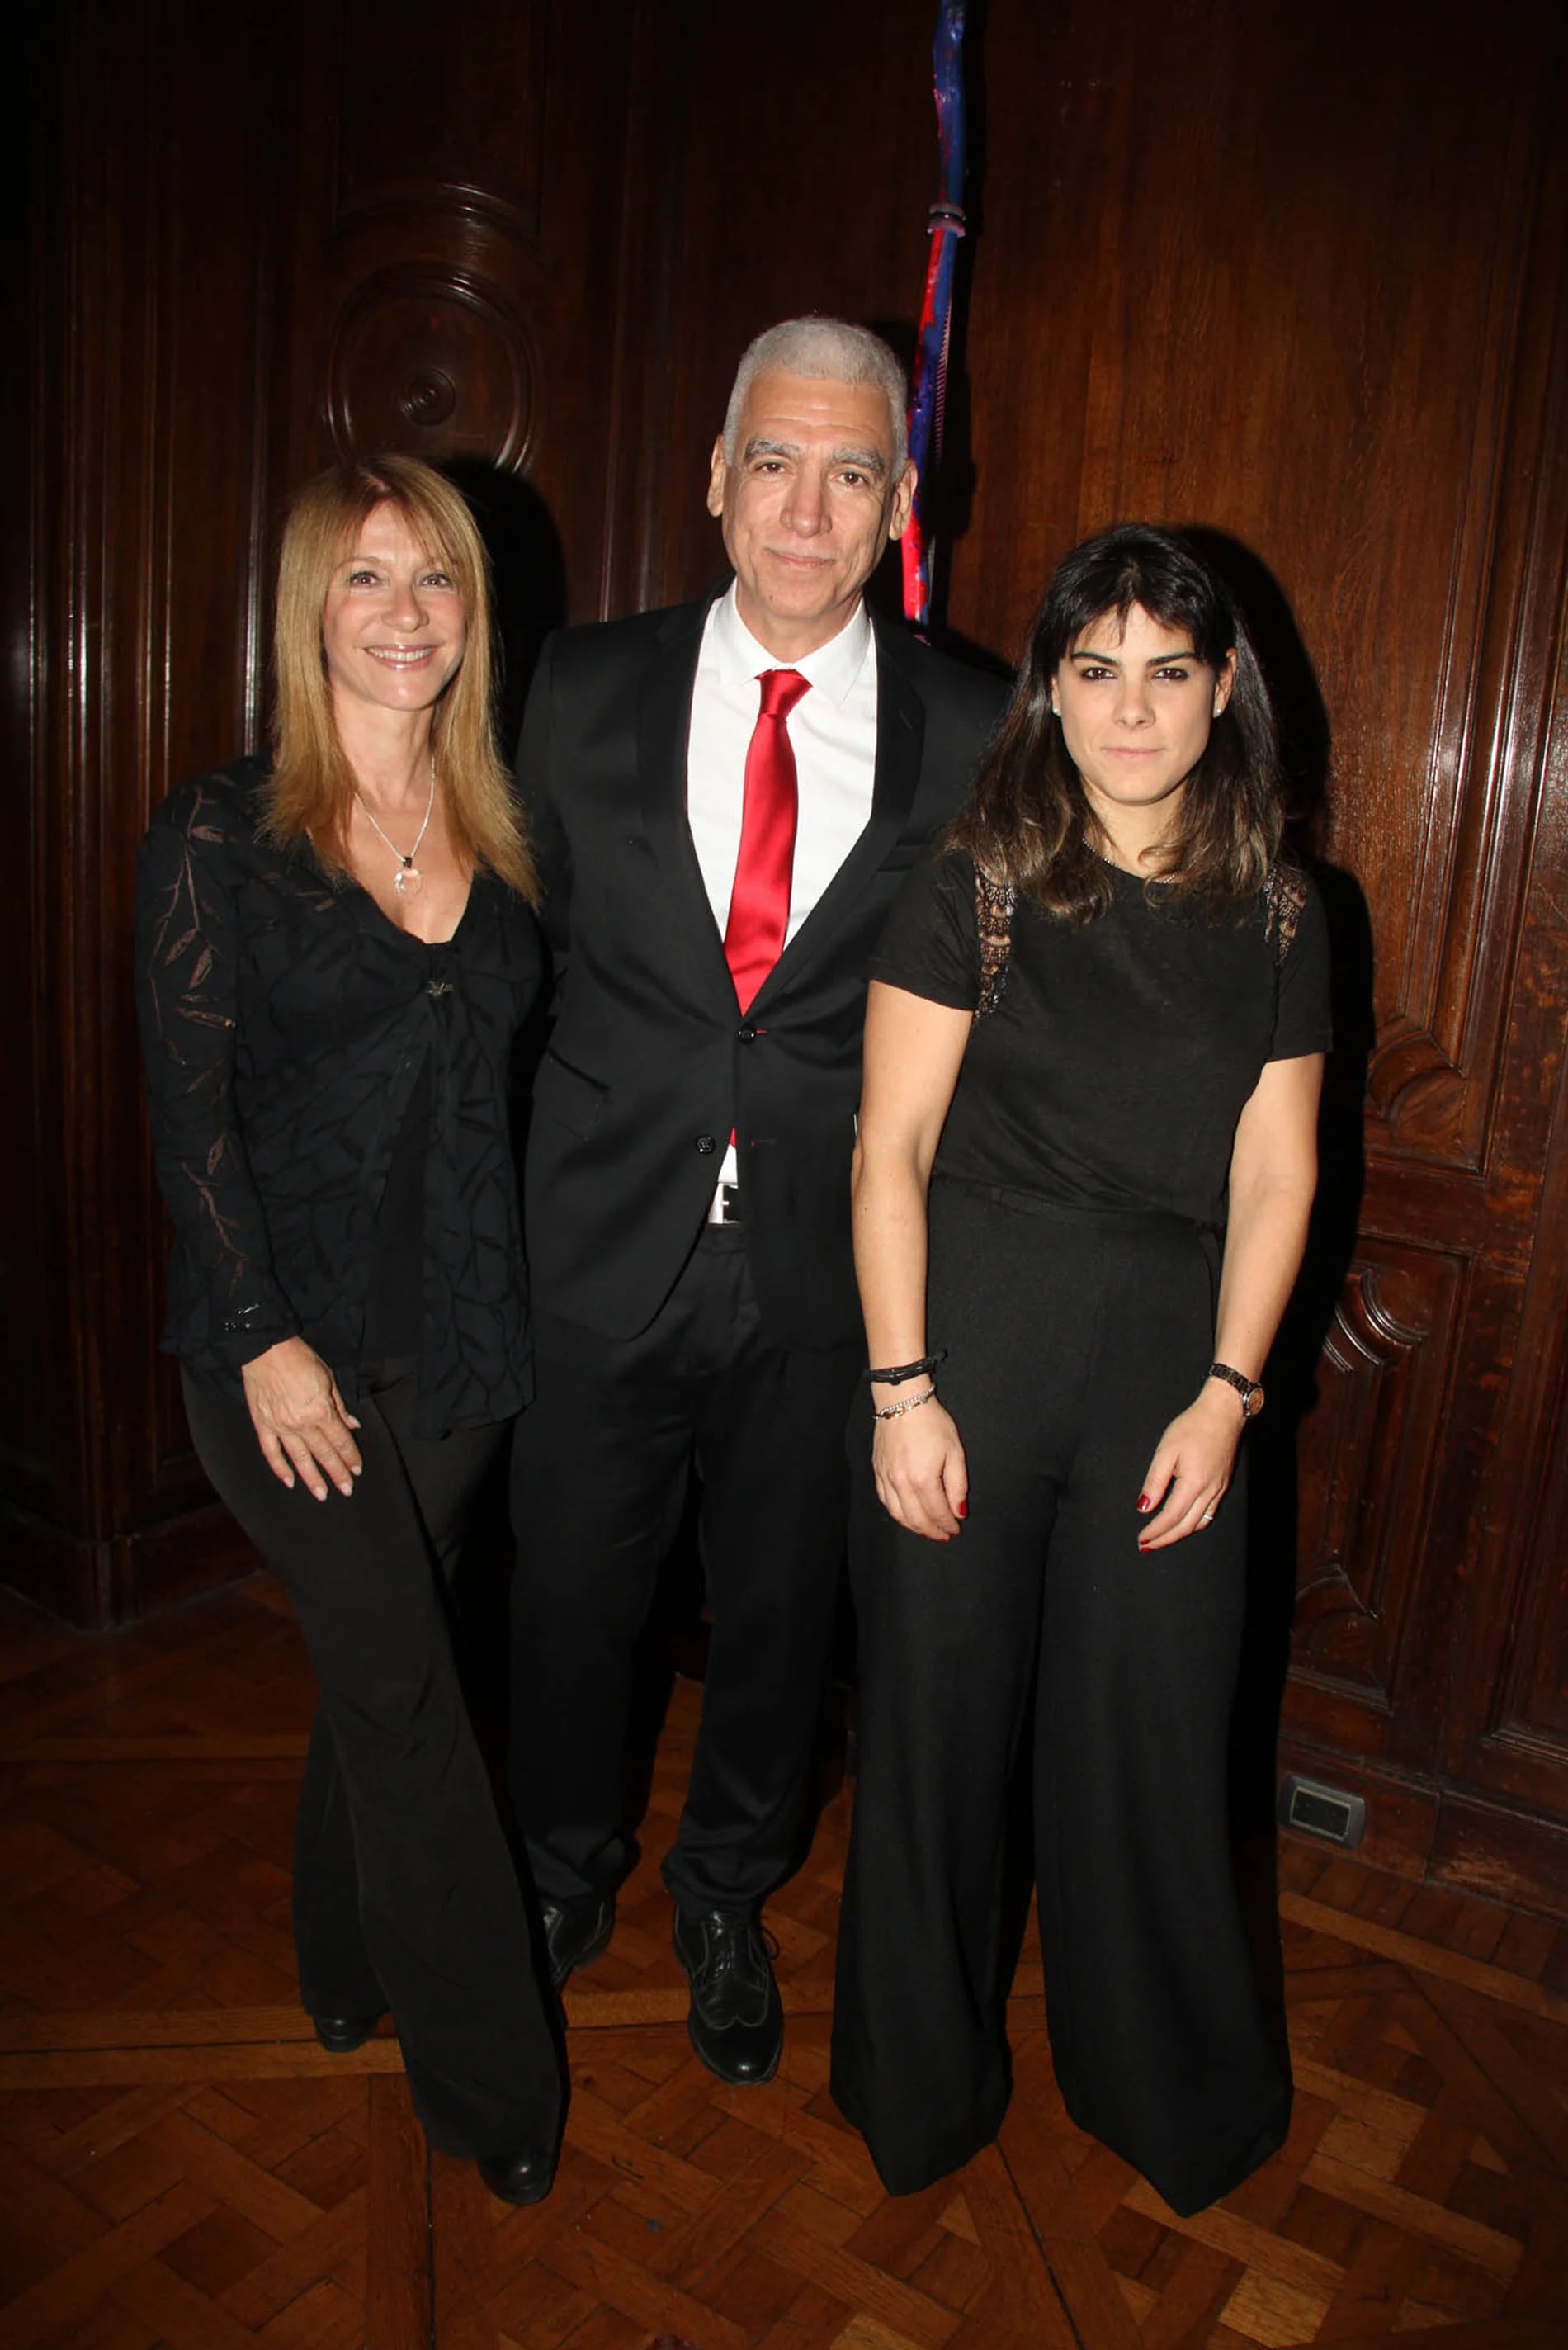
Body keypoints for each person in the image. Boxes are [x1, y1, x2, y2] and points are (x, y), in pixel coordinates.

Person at [509, 317, 1004, 2085]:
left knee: (788, 1613)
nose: (807, 507)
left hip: (832, 1262)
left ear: (896, 504)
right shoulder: (577, 683)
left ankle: (728, 1889)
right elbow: (517, 959)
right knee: (569, 1591)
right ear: (718, 481)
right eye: (775, 464)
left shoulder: (976, 724)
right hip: (597, 1240)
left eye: (851, 471)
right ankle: (559, 1872)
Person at [829, 524, 1329, 2216]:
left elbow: (1278, 1174)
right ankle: (918, 2089)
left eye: (1169, 671)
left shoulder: (1280, 910)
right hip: (969, 1338)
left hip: (1167, 1374)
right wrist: (902, 1388)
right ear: (1052, 685)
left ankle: (1165, 2094)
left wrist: (1230, 1394)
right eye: (1098, 668)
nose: (1132, 709)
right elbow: (887, 1148)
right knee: (936, 1736)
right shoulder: (974, 878)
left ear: (1221, 692)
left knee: (1153, 1743)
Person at [135, 456, 561, 2206]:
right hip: (280, 1358)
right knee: (406, 1691)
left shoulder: (509, 832)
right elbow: (190, 1114)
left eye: (436, 579)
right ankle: (495, 2092)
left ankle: (340, 1961)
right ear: (310, 606)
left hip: (457, 1352)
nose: (405, 614)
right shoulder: (220, 832)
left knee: (376, 1670)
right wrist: (259, 1333)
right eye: (367, 579)